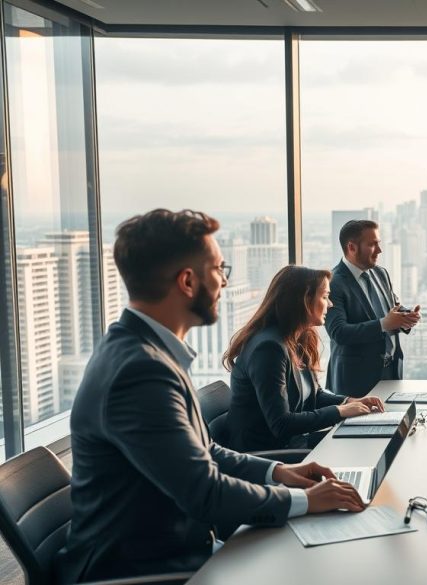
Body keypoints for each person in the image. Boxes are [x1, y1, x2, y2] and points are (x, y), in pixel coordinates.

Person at [55, 210, 365, 584]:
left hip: (174, 550)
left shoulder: (144, 351)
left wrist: (280, 471)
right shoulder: (139, 372)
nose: (224, 283)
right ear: (187, 281)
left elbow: (205, 452)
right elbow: (204, 492)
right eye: (220, 270)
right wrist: (307, 501)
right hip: (142, 569)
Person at [222, 265, 385, 453]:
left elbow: (314, 396)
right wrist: (340, 412)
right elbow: (281, 424)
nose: (330, 304)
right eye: (324, 297)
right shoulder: (268, 349)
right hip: (268, 454)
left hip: (292, 444)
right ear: (305, 301)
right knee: (357, 448)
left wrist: (350, 401)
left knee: (368, 440)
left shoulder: (296, 339)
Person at [325, 220, 420, 398]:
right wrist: (384, 324)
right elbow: (338, 332)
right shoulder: (334, 283)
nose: (379, 250)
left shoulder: (380, 273)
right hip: (356, 380)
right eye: (372, 244)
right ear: (352, 247)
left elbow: (393, 308)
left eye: (379, 244)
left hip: (391, 371)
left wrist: (407, 317)